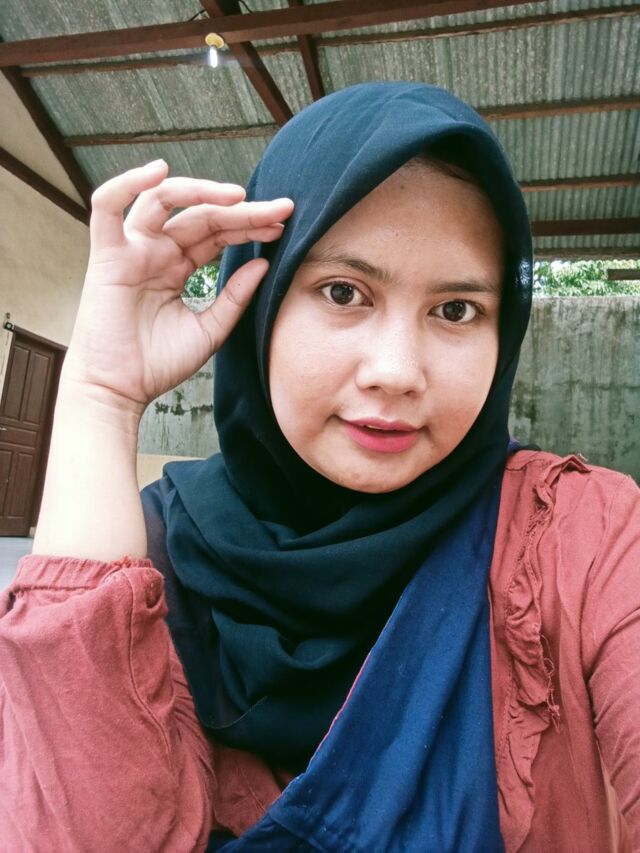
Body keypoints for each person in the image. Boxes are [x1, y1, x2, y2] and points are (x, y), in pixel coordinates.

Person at [1, 82, 638, 852]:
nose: (396, 371)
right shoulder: (145, 557)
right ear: (261, 302)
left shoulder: (582, 542)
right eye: (344, 292)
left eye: (456, 309)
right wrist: (100, 397)